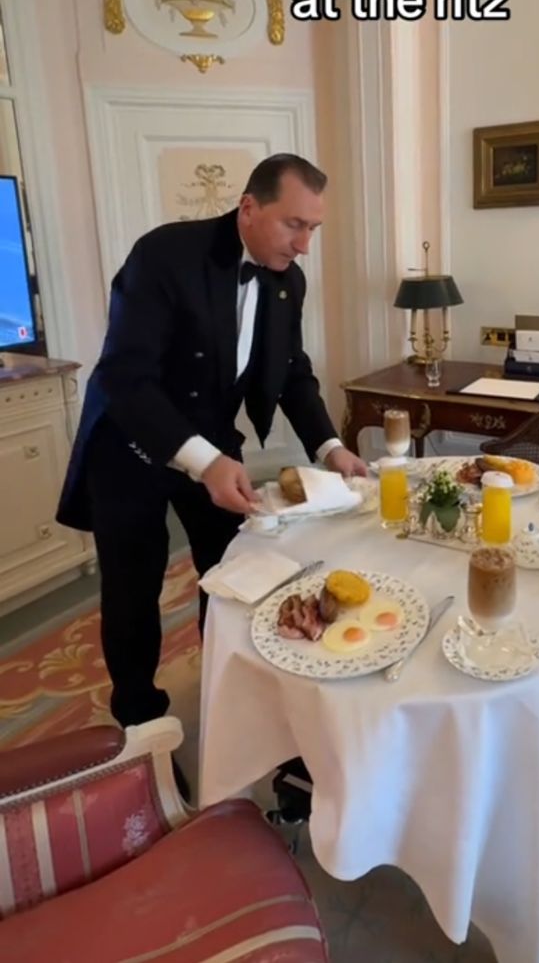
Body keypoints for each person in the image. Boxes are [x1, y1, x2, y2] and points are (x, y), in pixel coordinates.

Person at [57, 153, 366, 730]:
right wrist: (203, 461)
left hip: (215, 444)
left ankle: (230, 693)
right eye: (293, 224)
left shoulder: (286, 281)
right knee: (134, 591)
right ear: (249, 207)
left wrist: (330, 447)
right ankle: (140, 724)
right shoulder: (164, 256)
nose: (304, 245)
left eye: (313, 229)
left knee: (231, 574)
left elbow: (293, 371)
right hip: (129, 447)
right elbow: (125, 377)